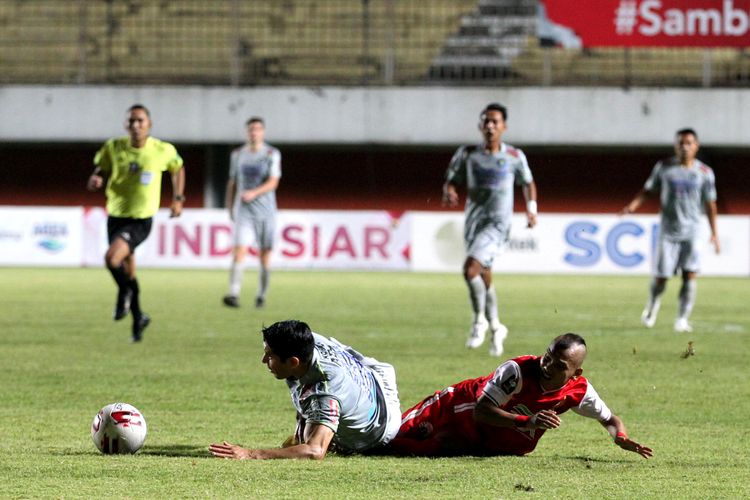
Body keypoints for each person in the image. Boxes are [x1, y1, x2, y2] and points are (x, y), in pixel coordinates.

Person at [383, 333, 652, 459]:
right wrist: (529, 421)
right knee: (389, 439)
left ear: (575, 372)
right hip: (455, 407)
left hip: (485, 442)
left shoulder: (579, 390)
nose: (547, 366)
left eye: (559, 365)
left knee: (425, 449)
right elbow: (481, 410)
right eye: (548, 357)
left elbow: (609, 419)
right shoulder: (518, 371)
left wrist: (621, 438)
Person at [209, 320, 401, 460]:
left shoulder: (323, 390)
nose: (263, 360)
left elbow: (314, 451)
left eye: (270, 356)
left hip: (380, 428)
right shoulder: (307, 341)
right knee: (301, 434)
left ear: (293, 361)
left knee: (307, 440)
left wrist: (250, 454)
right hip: (376, 373)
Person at [442, 103, 537, 356]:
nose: (490, 125)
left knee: (470, 269)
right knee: (483, 274)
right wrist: (450, 190)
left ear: (504, 127)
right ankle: (497, 327)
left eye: (495, 122)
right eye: (486, 121)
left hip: (498, 224)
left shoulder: (514, 156)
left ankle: (479, 321)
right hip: (474, 222)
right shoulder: (468, 154)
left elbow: (527, 182)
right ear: (480, 126)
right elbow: (452, 179)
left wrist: (532, 208)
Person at [86, 104, 185, 342]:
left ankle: (123, 293)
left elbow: (178, 169)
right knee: (129, 271)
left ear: (149, 124)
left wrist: (178, 199)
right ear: (125, 125)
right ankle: (139, 319)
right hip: (116, 215)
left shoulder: (162, 149)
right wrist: (97, 176)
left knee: (112, 259)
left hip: (140, 219)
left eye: (140, 121)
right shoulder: (114, 147)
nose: (136, 125)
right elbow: (102, 167)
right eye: (131, 121)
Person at [621, 128, 720, 333]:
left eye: (689, 143)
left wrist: (714, 232)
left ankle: (682, 319)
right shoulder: (664, 168)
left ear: (696, 146)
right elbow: (648, 190)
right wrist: (632, 206)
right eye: (681, 143)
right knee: (661, 277)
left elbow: (711, 204)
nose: (685, 147)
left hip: (692, 231)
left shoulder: (704, 173)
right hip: (668, 232)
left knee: (689, 274)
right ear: (676, 146)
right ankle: (652, 305)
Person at [222, 117, 281, 309]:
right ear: (246, 132)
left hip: (266, 212)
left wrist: (253, 193)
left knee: (264, 255)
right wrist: (229, 206)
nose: (254, 132)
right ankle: (233, 293)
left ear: (262, 132)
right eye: (251, 129)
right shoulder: (238, 154)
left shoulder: (271, 154)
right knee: (239, 250)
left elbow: (273, 182)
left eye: (257, 129)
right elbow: (232, 182)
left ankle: (261, 296)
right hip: (244, 212)